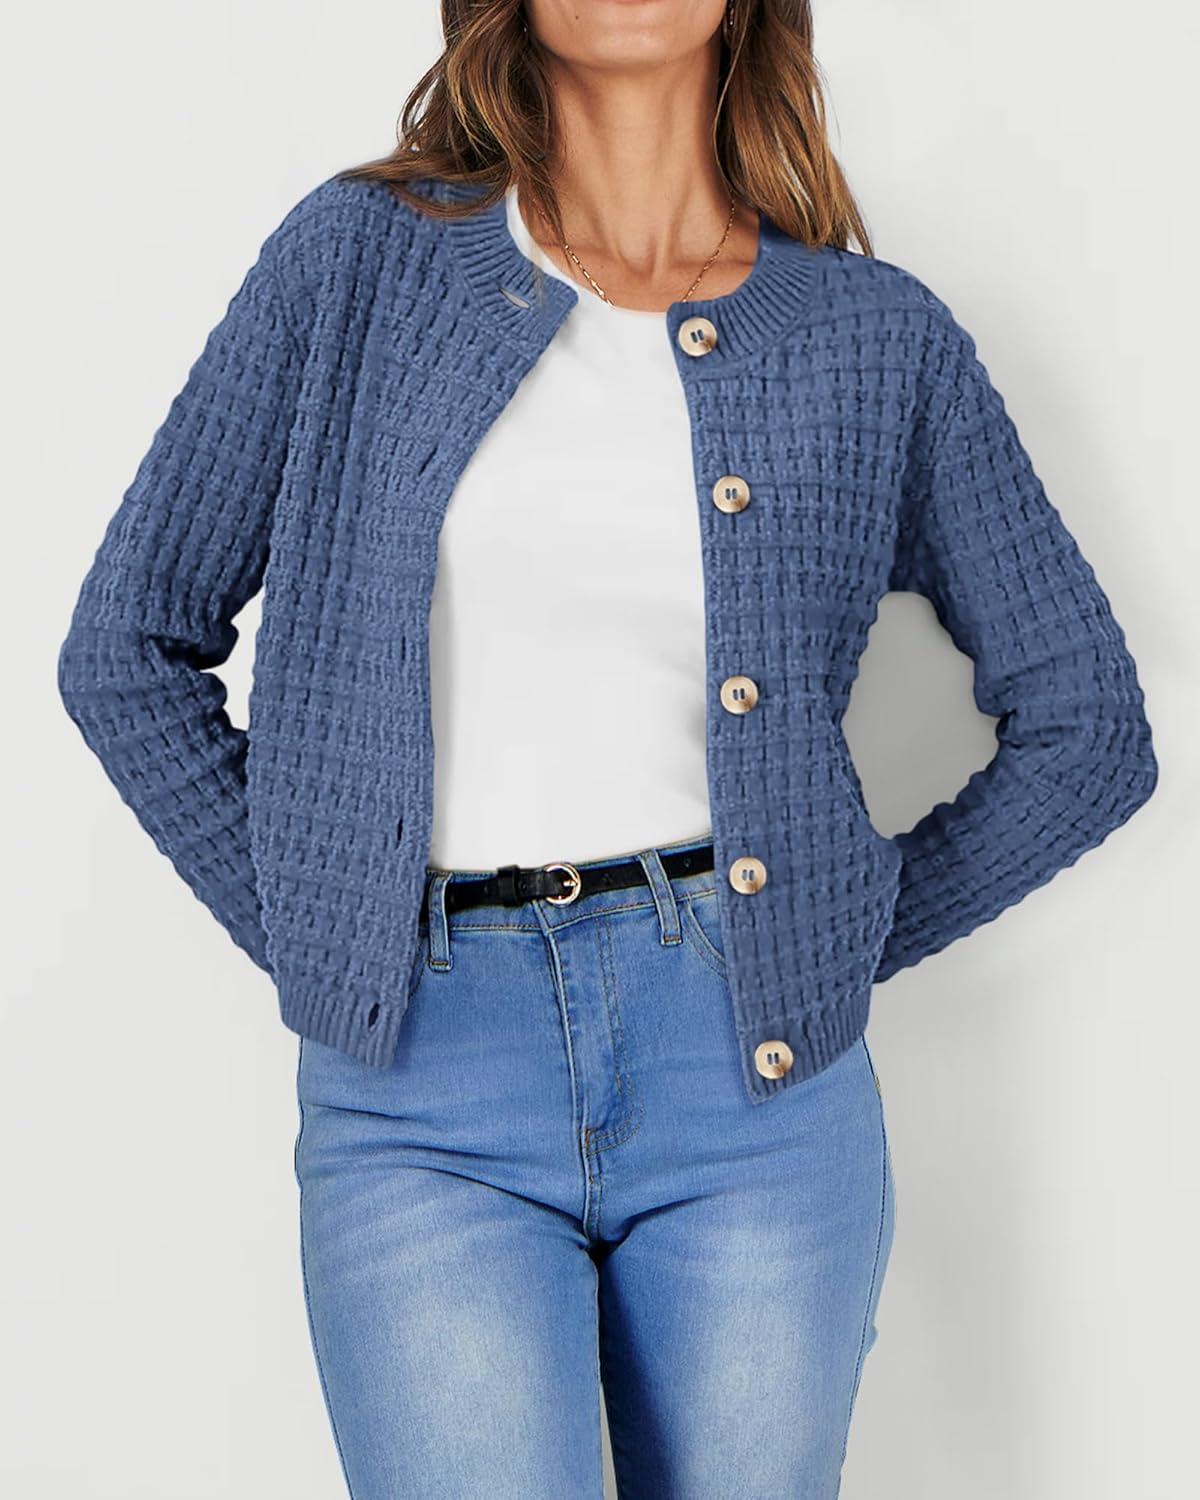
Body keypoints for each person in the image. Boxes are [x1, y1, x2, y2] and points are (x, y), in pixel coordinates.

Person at [56, 2, 1158, 1495]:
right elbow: (126, 644)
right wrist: (328, 927)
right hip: (422, 1088)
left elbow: (1089, 729)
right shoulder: (355, 263)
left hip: (755, 1085)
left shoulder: (873, 336)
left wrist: (817, 931)